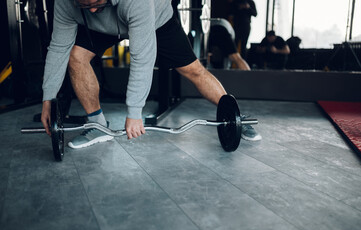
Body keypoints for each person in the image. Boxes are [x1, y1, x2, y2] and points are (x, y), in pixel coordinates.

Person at [41, 0, 261, 149]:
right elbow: (59, 47)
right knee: (76, 57)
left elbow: (142, 57)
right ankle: (96, 126)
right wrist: (47, 98)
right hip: (102, 27)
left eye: (95, 3)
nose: (89, 9)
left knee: (193, 70)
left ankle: (236, 118)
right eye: (83, 5)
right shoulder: (66, 2)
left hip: (156, 19)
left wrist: (134, 111)